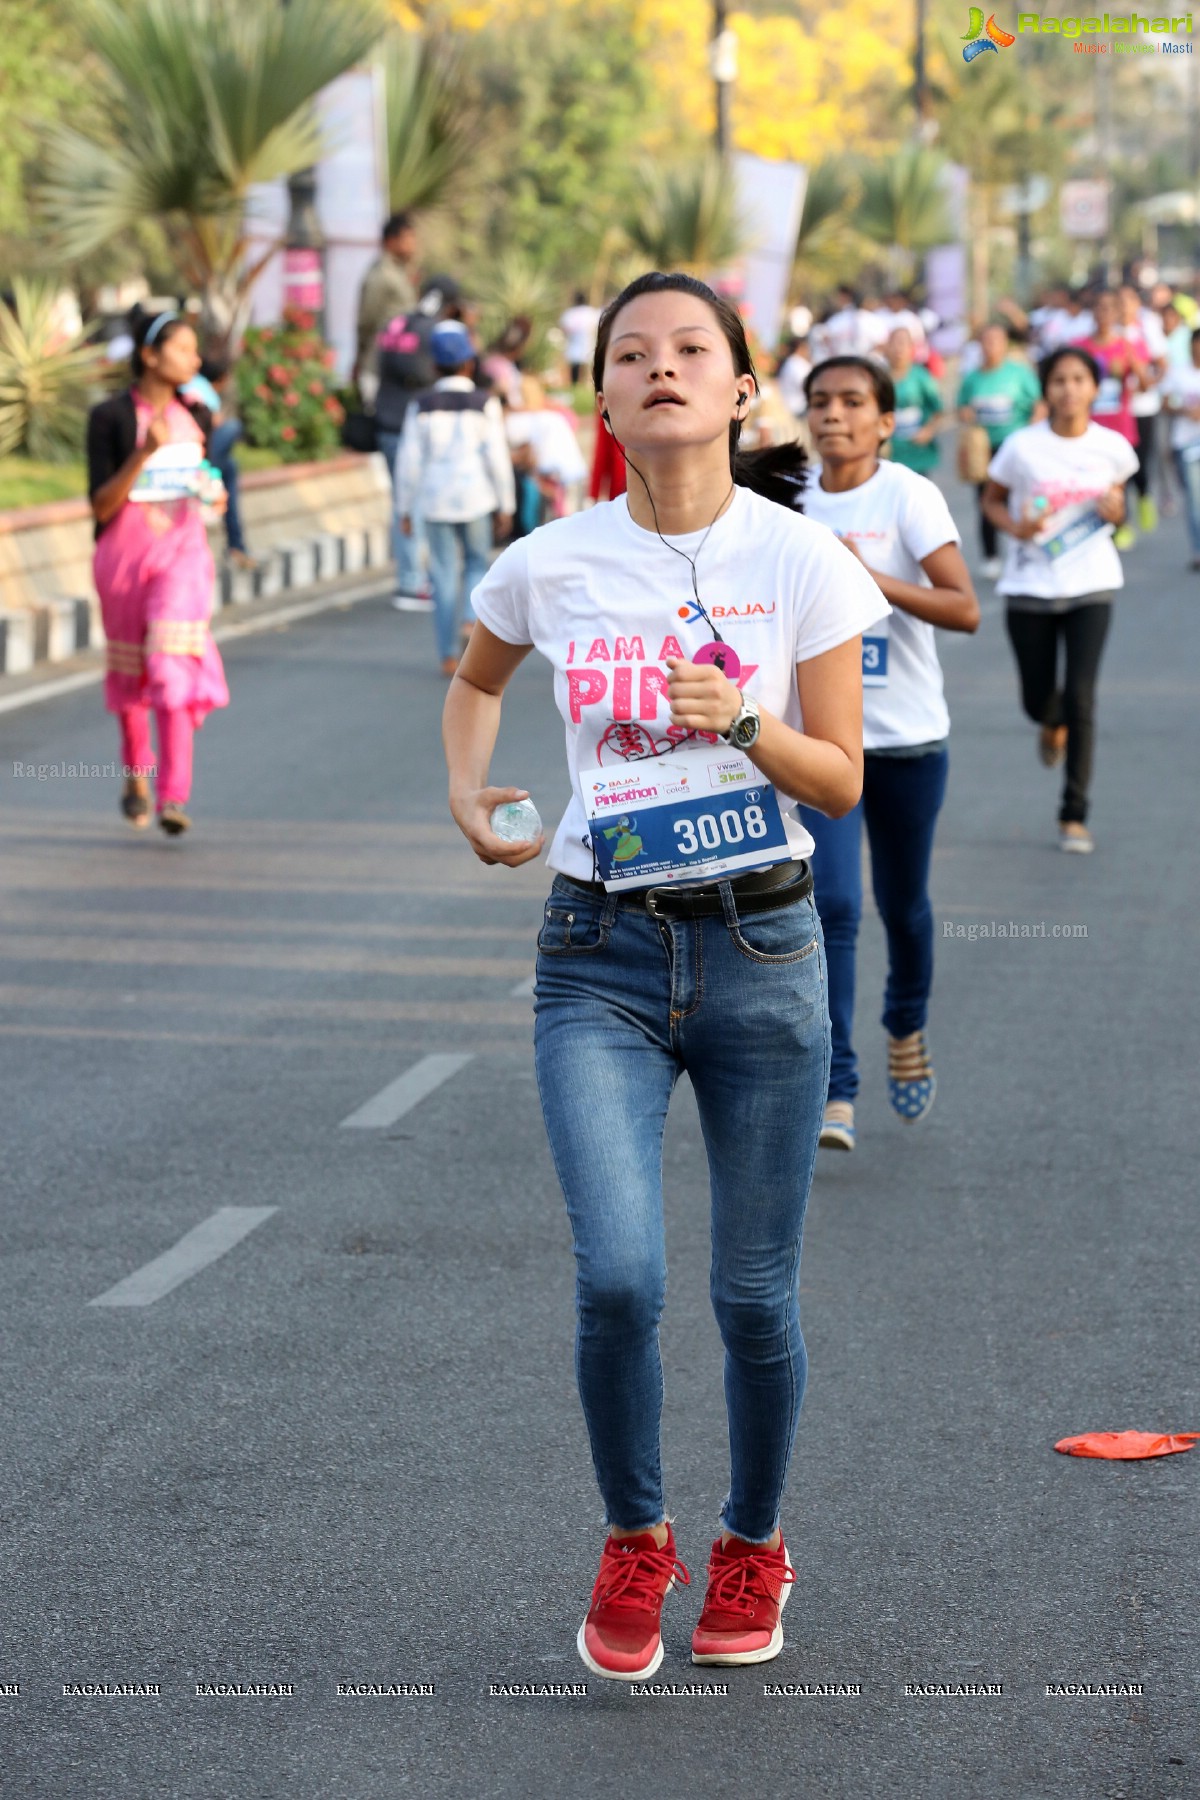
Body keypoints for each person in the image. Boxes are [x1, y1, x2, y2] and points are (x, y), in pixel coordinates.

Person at [443, 271, 887, 1683]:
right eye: (631, 354)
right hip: (600, 958)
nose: (662, 368)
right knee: (621, 1277)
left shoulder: (801, 562)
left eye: (693, 349)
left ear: (744, 387)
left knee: (755, 1296)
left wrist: (744, 720)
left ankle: (754, 1542)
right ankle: (637, 1532)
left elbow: (839, 781)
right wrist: (471, 795)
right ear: (605, 399)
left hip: (763, 949)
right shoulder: (549, 559)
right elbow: (474, 679)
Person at [797, 356, 979, 1152]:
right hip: (820, 745)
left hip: (907, 738)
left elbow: (963, 607)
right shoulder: (788, 499)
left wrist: (865, 581)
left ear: (883, 420)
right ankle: (837, 1087)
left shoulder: (907, 494)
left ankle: (905, 1023)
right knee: (832, 903)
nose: (833, 414)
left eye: (852, 402)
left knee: (902, 907)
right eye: (820, 401)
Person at [982, 346, 1137, 855]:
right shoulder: (1022, 447)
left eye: (1078, 379)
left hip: (1092, 583)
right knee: (1037, 698)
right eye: (1059, 381)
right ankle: (1051, 723)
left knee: (1083, 696)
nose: (1069, 389)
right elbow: (992, 500)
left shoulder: (1113, 447)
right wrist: (1014, 528)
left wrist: (1117, 514)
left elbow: (1120, 510)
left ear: (1094, 388)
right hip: (1030, 585)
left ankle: (1074, 814)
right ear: (1046, 390)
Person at [86, 311, 230, 836]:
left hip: (184, 560)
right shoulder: (110, 418)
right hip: (123, 561)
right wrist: (143, 454)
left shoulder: (199, 415)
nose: (194, 359)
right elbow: (101, 506)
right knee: (131, 680)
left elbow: (205, 479)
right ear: (150, 355)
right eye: (183, 348)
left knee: (171, 673)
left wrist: (215, 493)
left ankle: (174, 794)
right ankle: (136, 776)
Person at [397, 320, 515, 676]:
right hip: (476, 495)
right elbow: (496, 455)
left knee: (443, 573)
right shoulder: (484, 402)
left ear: (433, 366)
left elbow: (409, 461)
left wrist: (403, 508)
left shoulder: (422, 404)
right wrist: (505, 503)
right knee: (478, 563)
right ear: (469, 363)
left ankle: (448, 654)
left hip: (435, 500)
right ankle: (469, 617)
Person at [375, 274, 462, 606]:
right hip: (413, 427)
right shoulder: (433, 332)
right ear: (449, 305)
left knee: (402, 500)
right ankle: (412, 580)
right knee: (412, 503)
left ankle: (411, 575)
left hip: (385, 421)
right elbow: (430, 376)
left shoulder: (397, 323)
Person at [957, 320, 1044, 579]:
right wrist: (967, 414)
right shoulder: (972, 378)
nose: (991, 346)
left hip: (1014, 446)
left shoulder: (1020, 373)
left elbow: (1039, 405)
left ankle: (1025, 546)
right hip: (984, 450)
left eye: (997, 340)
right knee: (986, 501)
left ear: (1005, 344)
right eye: (986, 341)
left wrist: (1032, 430)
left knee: (1022, 498)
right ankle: (991, 555)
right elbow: (962, 407)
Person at [1076, 289, 1150, 549]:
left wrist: (1133, 364)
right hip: (1087, 424)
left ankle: (1121, 521)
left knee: (1119, 479)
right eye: (1099, 308)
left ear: (1117, 313)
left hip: (1120, 425)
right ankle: (1093, 526)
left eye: (1109, 309)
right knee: (1090, 479)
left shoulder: (1126, 345)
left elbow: (1144, 386)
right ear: (1093, 312)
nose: (1104, 314)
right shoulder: (1079, 347)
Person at [182, 355, 255, 571]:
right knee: (233, 429)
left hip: (202, 457)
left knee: (230, 468)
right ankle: (236, 546)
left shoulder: (192, 387)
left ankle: (236, 546)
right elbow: (214, 424)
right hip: (197, 458)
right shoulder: (195, 389)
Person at [1117, 283, 1167, 538]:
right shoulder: (1109, 330)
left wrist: (1149, 384)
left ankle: (1144, 495)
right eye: (1120, 301)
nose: (1124, 306)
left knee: (1138, 461)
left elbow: (1161, 363)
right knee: (1116, 465)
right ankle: (1121, 521)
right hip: (1114, 410)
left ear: (1137, 304)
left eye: (1129, 300)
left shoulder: (1147, 327)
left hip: (1143, 408)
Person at [354, 212, 418, 401]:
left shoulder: (399, 273)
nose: (413, 245)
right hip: (377, 367)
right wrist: (361, 360)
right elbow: (366, 321)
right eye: (408, 238)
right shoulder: (382, 275)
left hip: (397, 368)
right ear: (391, 241)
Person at [1161, 327, 1200, 570]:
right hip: (1187, 444)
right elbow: (1165, 403)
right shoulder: (1178, 373)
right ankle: (1198, 549)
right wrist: (1185, 410)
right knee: (1194, 500)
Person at [883, 327, 943, 478]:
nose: (898, 349)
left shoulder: (921, 377)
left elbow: (938, 410)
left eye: (903, 344)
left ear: (912, 348)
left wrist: (928, 431)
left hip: (917, 455)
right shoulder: (879, 379)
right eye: (894, 344)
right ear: (886, 348)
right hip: (889, 455)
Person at [559, 290, 601, 386]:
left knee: (575, 367)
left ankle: (575, 384)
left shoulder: (569, 314)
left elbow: (564, 329)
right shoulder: (591, 313)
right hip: (587, 344)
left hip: (574, 344)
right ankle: (585, 384)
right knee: (586, 366)